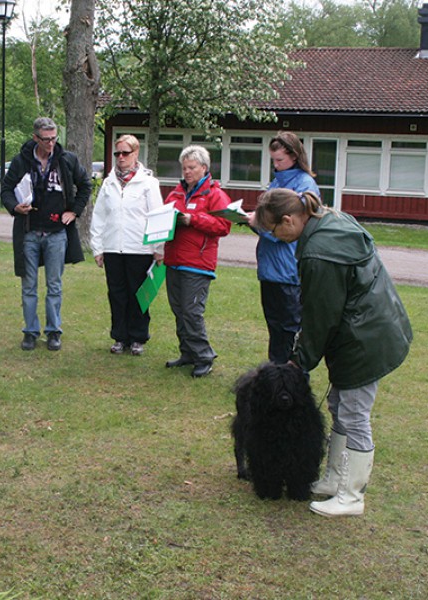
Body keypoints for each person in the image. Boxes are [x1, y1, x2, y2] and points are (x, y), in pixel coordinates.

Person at [252, 189, 413, 517]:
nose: (276, 239)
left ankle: (352, 496)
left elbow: (319, 316)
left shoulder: (319, 253)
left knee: (354, 416)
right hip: (366, 328)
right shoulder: (328, 219)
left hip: (365, 338)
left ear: (290, 220)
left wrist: (299, 363)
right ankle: (333, 480)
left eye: (274, 232)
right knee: (339, 405)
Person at [0, 117, 92, 351]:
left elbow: (85, 185)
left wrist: (74, 211)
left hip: (56, 233)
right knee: (29, 285)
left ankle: (53, 331)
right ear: (35, 138)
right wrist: (14, 207)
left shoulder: (67, 160)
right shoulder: (22, 161)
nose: (51, 143)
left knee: (54, 285)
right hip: (29, 231)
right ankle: (30, 332)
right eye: (46, 139)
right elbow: (6, 190)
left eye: (53, 138)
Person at [90, 135, 164, 356]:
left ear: (135, 154)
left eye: (125, 153)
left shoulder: (148, 183)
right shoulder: (108, 182)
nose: (120, 158)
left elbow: (157, 216)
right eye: (117, 153)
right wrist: (98, 247)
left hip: (139, 249)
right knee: (117, 294)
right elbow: (99, 216)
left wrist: (158, 248)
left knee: (139, 295)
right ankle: (120, 337)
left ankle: (138, 337)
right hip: (113, 248)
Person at [162, 145, 232, 378]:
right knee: (179, 310)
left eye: (192, 167)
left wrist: (193, 219)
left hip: (197, 263)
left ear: (204, 167)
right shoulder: (176, 193)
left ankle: (204, 356)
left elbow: (224, 226)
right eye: (184, 168)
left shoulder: (215, 195)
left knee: (192, 312)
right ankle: (188, 353)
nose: (187, 172)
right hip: (174, 260)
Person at [253, 131, 320, 364]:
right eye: (273, 160)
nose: (276, 164)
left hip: (288, 270)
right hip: (269, 268)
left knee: (289, 329)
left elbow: (292, 228)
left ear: (294, 156)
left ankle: (291, 376)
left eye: (280, 160)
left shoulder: (304, 184)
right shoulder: (277, 181)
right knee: (274, 326)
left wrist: (259, 224)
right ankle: (276, 373)